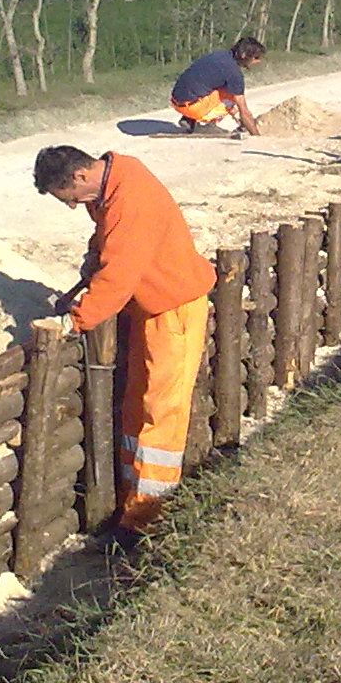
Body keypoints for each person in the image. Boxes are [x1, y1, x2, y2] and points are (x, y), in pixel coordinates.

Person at [33, 145, 216, 541]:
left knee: (161, 411)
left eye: (69, 199)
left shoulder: (128, 199)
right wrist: (93, 255)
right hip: (154, 306)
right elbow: (108, 244)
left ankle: (148, 517)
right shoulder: (113, 182)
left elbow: (119, 273)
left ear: (81, 176)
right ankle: (133, 498)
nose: (72, 207)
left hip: (175, 307)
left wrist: (76, 320)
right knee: (139, 403)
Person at [170, 37, 266, 135]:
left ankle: (189, 120)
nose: (258, 61)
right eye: (256, 57)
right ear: (244, 55)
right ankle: (204, 125)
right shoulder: (234, 73)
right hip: (191, 106)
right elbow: (244, 111)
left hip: (176, 100)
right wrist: (256, 135)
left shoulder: (219, 55)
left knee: (222, 88)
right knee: (232, 96)